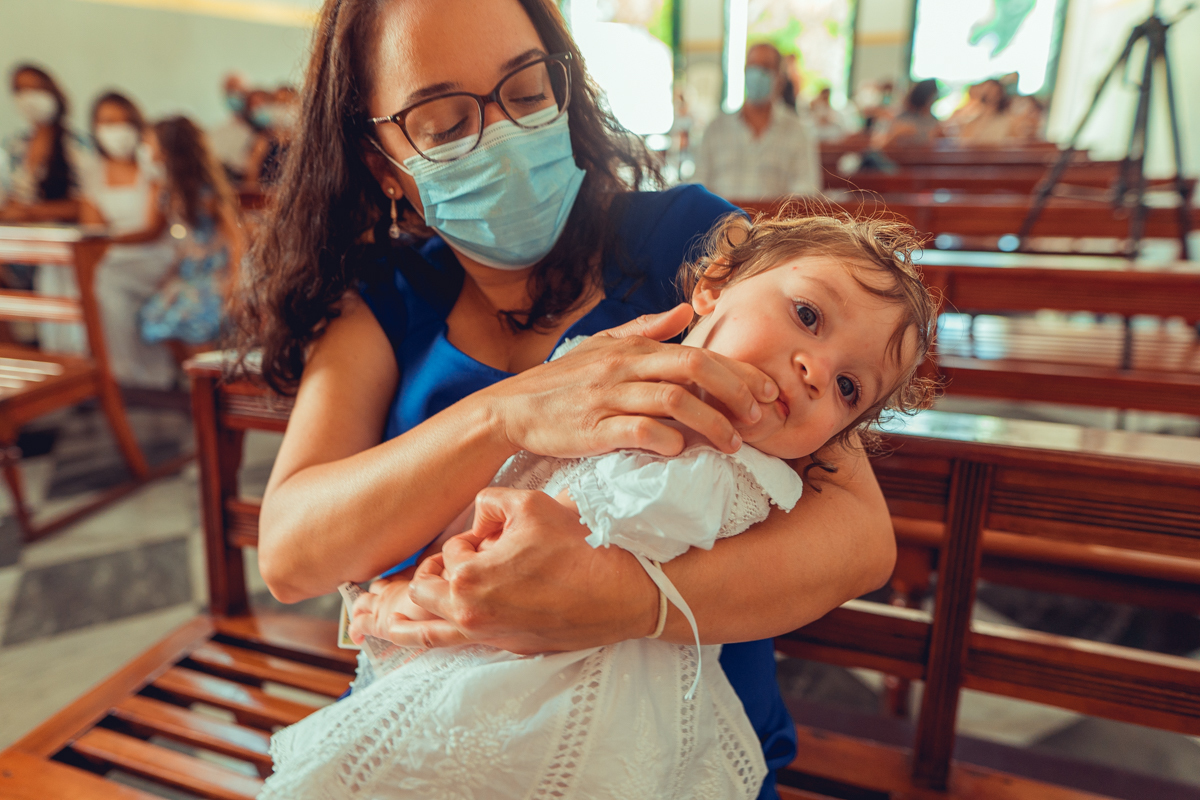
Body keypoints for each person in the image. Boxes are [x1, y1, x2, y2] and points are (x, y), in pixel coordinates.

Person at [238, 2, 897, 798]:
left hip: (662, 756)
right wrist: (508, 411)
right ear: (385, 166)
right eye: (444, 124)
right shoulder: (384, 298)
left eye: (524, 94)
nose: (502, 138)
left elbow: (860, 535)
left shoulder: (686, 245)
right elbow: (292, 550)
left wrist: (620, 600)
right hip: (447, 738)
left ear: (564, 87)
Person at [258, 210, 937, 798]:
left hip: (587, 699)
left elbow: (555, 577)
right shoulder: (594, 360)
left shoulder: (731, 475)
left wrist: (455, 595)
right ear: (714, 284)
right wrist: (424, 576)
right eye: (807, 316)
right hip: (478, 647)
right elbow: (507, 484)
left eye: (850, 388)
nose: (816, 371)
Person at [79, 91, 179, 387]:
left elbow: (153, 229)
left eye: (124, 121)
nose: (117, 130)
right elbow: (92, 228)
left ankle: (136, 375)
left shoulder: (152, 168)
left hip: (157, 254)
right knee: (74, 275)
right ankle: (87, 368)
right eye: (108, 122)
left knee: (107, 281)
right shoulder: (93, 173)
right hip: (116, 254)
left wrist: (109, 242)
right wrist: (106, 244)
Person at [139, 116, 244, 357]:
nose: (144, 148)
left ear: (166, 149)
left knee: (194, 318)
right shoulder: (166, 190)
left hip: (216, 271)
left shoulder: (206, 192)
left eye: (149, 142)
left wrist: (235, 280)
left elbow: (235, 237)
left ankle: (203, 381)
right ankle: (192, 379)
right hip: (190, 270)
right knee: (155, 315)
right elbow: (179, 240)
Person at [692, 42, 822, 201]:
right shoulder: (715, 129)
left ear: (779, 76)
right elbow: (697, 185)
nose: (757, 74)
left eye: (765, 67)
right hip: (721, 222)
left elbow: (806, 190)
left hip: (774, 224)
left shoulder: (797, 131)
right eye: (752, 66)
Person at [0, 64, 87, 223]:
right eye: (20, 90)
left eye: (35, 88)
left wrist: (30, 211)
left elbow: (89, 204)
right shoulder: (13, 145)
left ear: (53, 92)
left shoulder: (76, 144)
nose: (28, 97)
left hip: (60, 237)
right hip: (17, 239)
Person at [243, 85, 297, 189]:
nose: (282, 108)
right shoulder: (263, 139)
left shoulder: (307, 142)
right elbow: (251, 171)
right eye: (278, 103)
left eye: (287, 102)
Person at [207, 72, 256, 182]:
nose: (234, 95)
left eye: (238, 90)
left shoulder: (259, 130)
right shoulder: (217, 131)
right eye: (229, 91)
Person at [872, 78, 942, 149]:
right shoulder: (904, 118)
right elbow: (881, 146)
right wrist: (896, 135)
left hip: (923, 158)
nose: (933, 100)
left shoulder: (933, 120)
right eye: (932, 98)